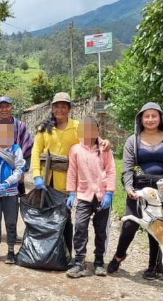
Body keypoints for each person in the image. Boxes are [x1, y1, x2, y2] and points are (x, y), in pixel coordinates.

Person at [108, 102, 163, 279]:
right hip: (139, 186)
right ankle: (119, 256)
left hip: (161, 188)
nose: (150, 119)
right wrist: (129, 187)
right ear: (141, 119)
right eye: (146, 116)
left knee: (156, 226)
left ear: (160, 118)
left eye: (154, 116)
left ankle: (152, 266)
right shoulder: (132, 140)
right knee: (129, 224)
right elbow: (128, 167)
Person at [30, 92, 110, 260]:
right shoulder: (43, 129)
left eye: (63, 106)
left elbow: (91, 137)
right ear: (52, 108)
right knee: (46, 217)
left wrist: (104, 141)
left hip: (68, 180)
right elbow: (36, 153)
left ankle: (66, 255)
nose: (60, 109)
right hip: (47, 180)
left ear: (69, 109)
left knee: (65, 218)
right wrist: (36, 175)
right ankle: (45, 254)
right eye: (56, 106)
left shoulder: (76, 126)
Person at [65, 116, 116, 277]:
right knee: (80, 227)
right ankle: (79, 262)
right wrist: (71, 193)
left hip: (102, 196)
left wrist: (109, 193)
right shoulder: (75, 149)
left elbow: (111, 170)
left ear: (97, 130)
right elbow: (72, 172)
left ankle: (99, 261)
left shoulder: (105, 149)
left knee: (101, 230)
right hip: (83, 195)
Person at [0, 120, 26, 263]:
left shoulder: (16, 150)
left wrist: (9, 181)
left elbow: (20, 169)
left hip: (11, 192)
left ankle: (11, 250)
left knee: (11, 221)